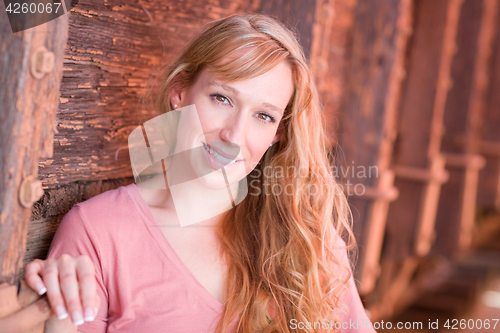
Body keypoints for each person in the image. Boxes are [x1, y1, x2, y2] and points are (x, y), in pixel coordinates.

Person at [24, 13, 377, 333]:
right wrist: (58, 316)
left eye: (263, 116)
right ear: (180, 91)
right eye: (222, 98)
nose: (234, 135)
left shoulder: (306, 236)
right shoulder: (98, 232)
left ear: (278, 133)